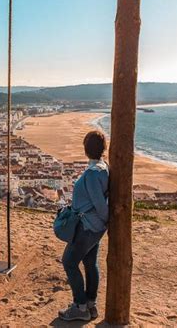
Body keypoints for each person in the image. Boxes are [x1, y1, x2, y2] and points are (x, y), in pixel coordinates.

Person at [59, 130, 109, 321]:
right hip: (95, 227)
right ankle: (90, 305)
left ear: (86, 150)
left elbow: (99, 203)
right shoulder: (104, 168)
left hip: (88, 226)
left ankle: (80, 307)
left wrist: (104, 220)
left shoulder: (92, 174)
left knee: (69, 262)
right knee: (90, 263)